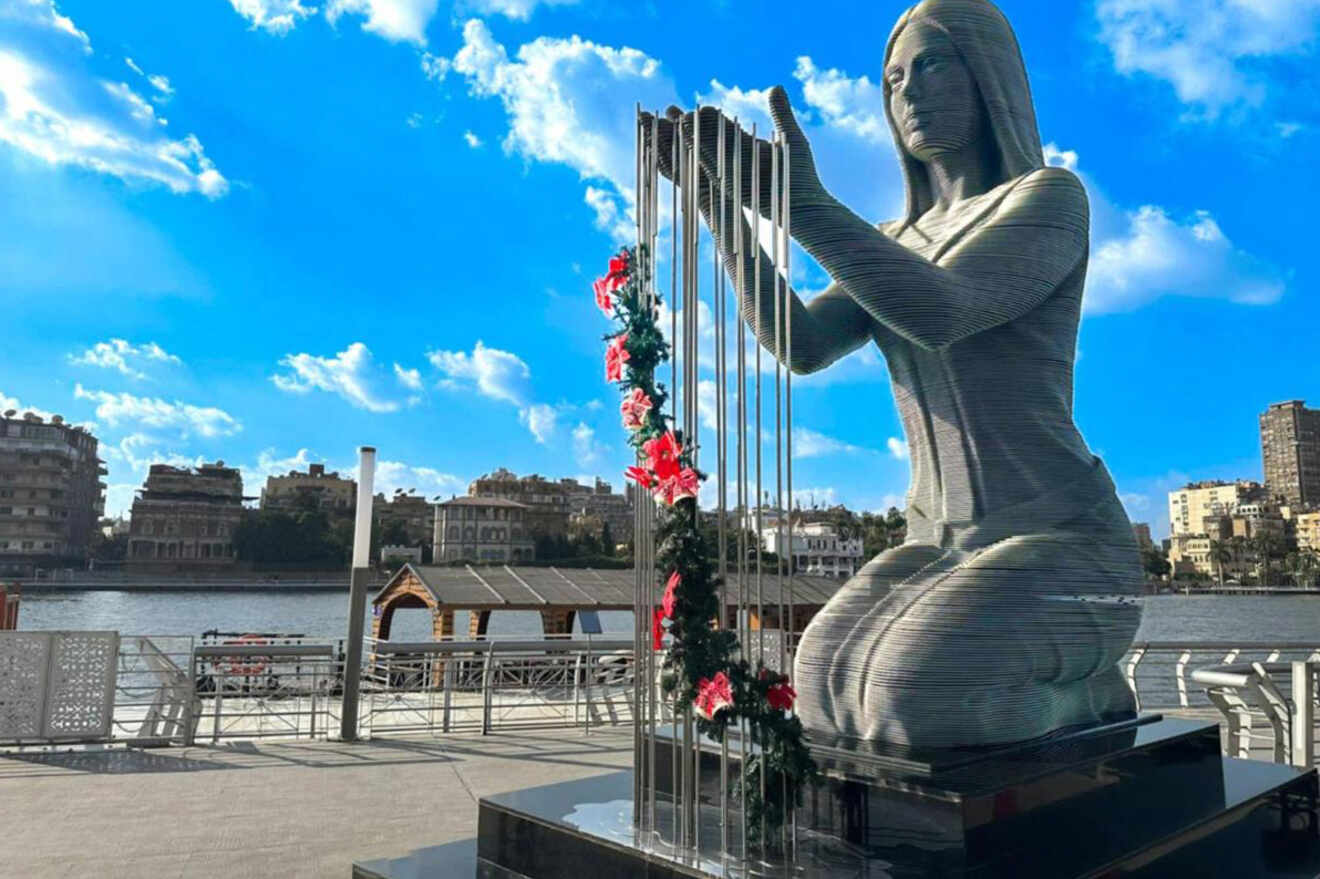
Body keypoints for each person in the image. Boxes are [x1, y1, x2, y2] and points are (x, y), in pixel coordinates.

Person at [650, 0, 1142, 748]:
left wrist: (803, 206)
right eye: (891, 79)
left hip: (1068, 545)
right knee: (820, 685)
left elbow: (943, 308)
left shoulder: (1048, 199)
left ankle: (1090, 696)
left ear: (990, 76)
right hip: (942, 546)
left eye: (932, 64)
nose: (907, 91)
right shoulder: (894, 240)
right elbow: (800, 342)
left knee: (917, 697)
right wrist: (723, 203)